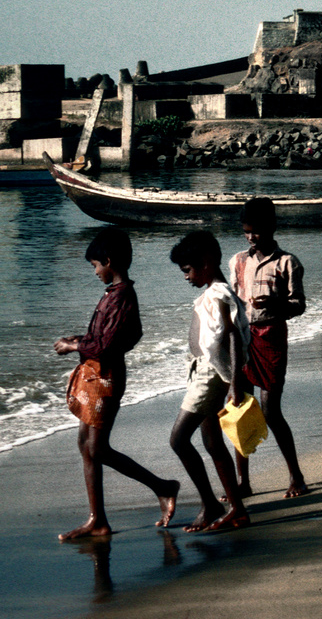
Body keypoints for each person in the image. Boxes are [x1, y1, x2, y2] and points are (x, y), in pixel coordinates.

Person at [53, 228, 181, 541]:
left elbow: (110, 344)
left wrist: (74, 346)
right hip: (96, 374)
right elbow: (115, 337)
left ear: (109, 262)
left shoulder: (122, 296)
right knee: (86, 445)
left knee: (96, 447)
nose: (95, 272)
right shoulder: (115, 294)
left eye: (96, 265)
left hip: (107, 377)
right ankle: (97, 518)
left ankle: (162, 487)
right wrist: (81, 340)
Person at [168, 231, 250, 532]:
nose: (185, 277)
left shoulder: (218, 294)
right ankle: (235, 509)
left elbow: (231, 336)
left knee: (178, 439)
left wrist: (234, 385)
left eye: (188, 270)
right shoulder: (214, 293)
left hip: (212, 376)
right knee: (212, 442)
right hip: (207, 372)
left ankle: (212, 503)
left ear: (206, 263)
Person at [230, 197, 309, 498]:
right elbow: (233, 303)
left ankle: (296, 476)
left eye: (257, 232)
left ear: (273, 228)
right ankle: (242, 482)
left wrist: (276, 304)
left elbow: (299, 305)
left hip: (272, 336)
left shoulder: (288, 262)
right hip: (242, 340)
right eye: (247, 231)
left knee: (271, 411)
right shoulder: (238, 261)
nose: (251, 237)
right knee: (240, 408)